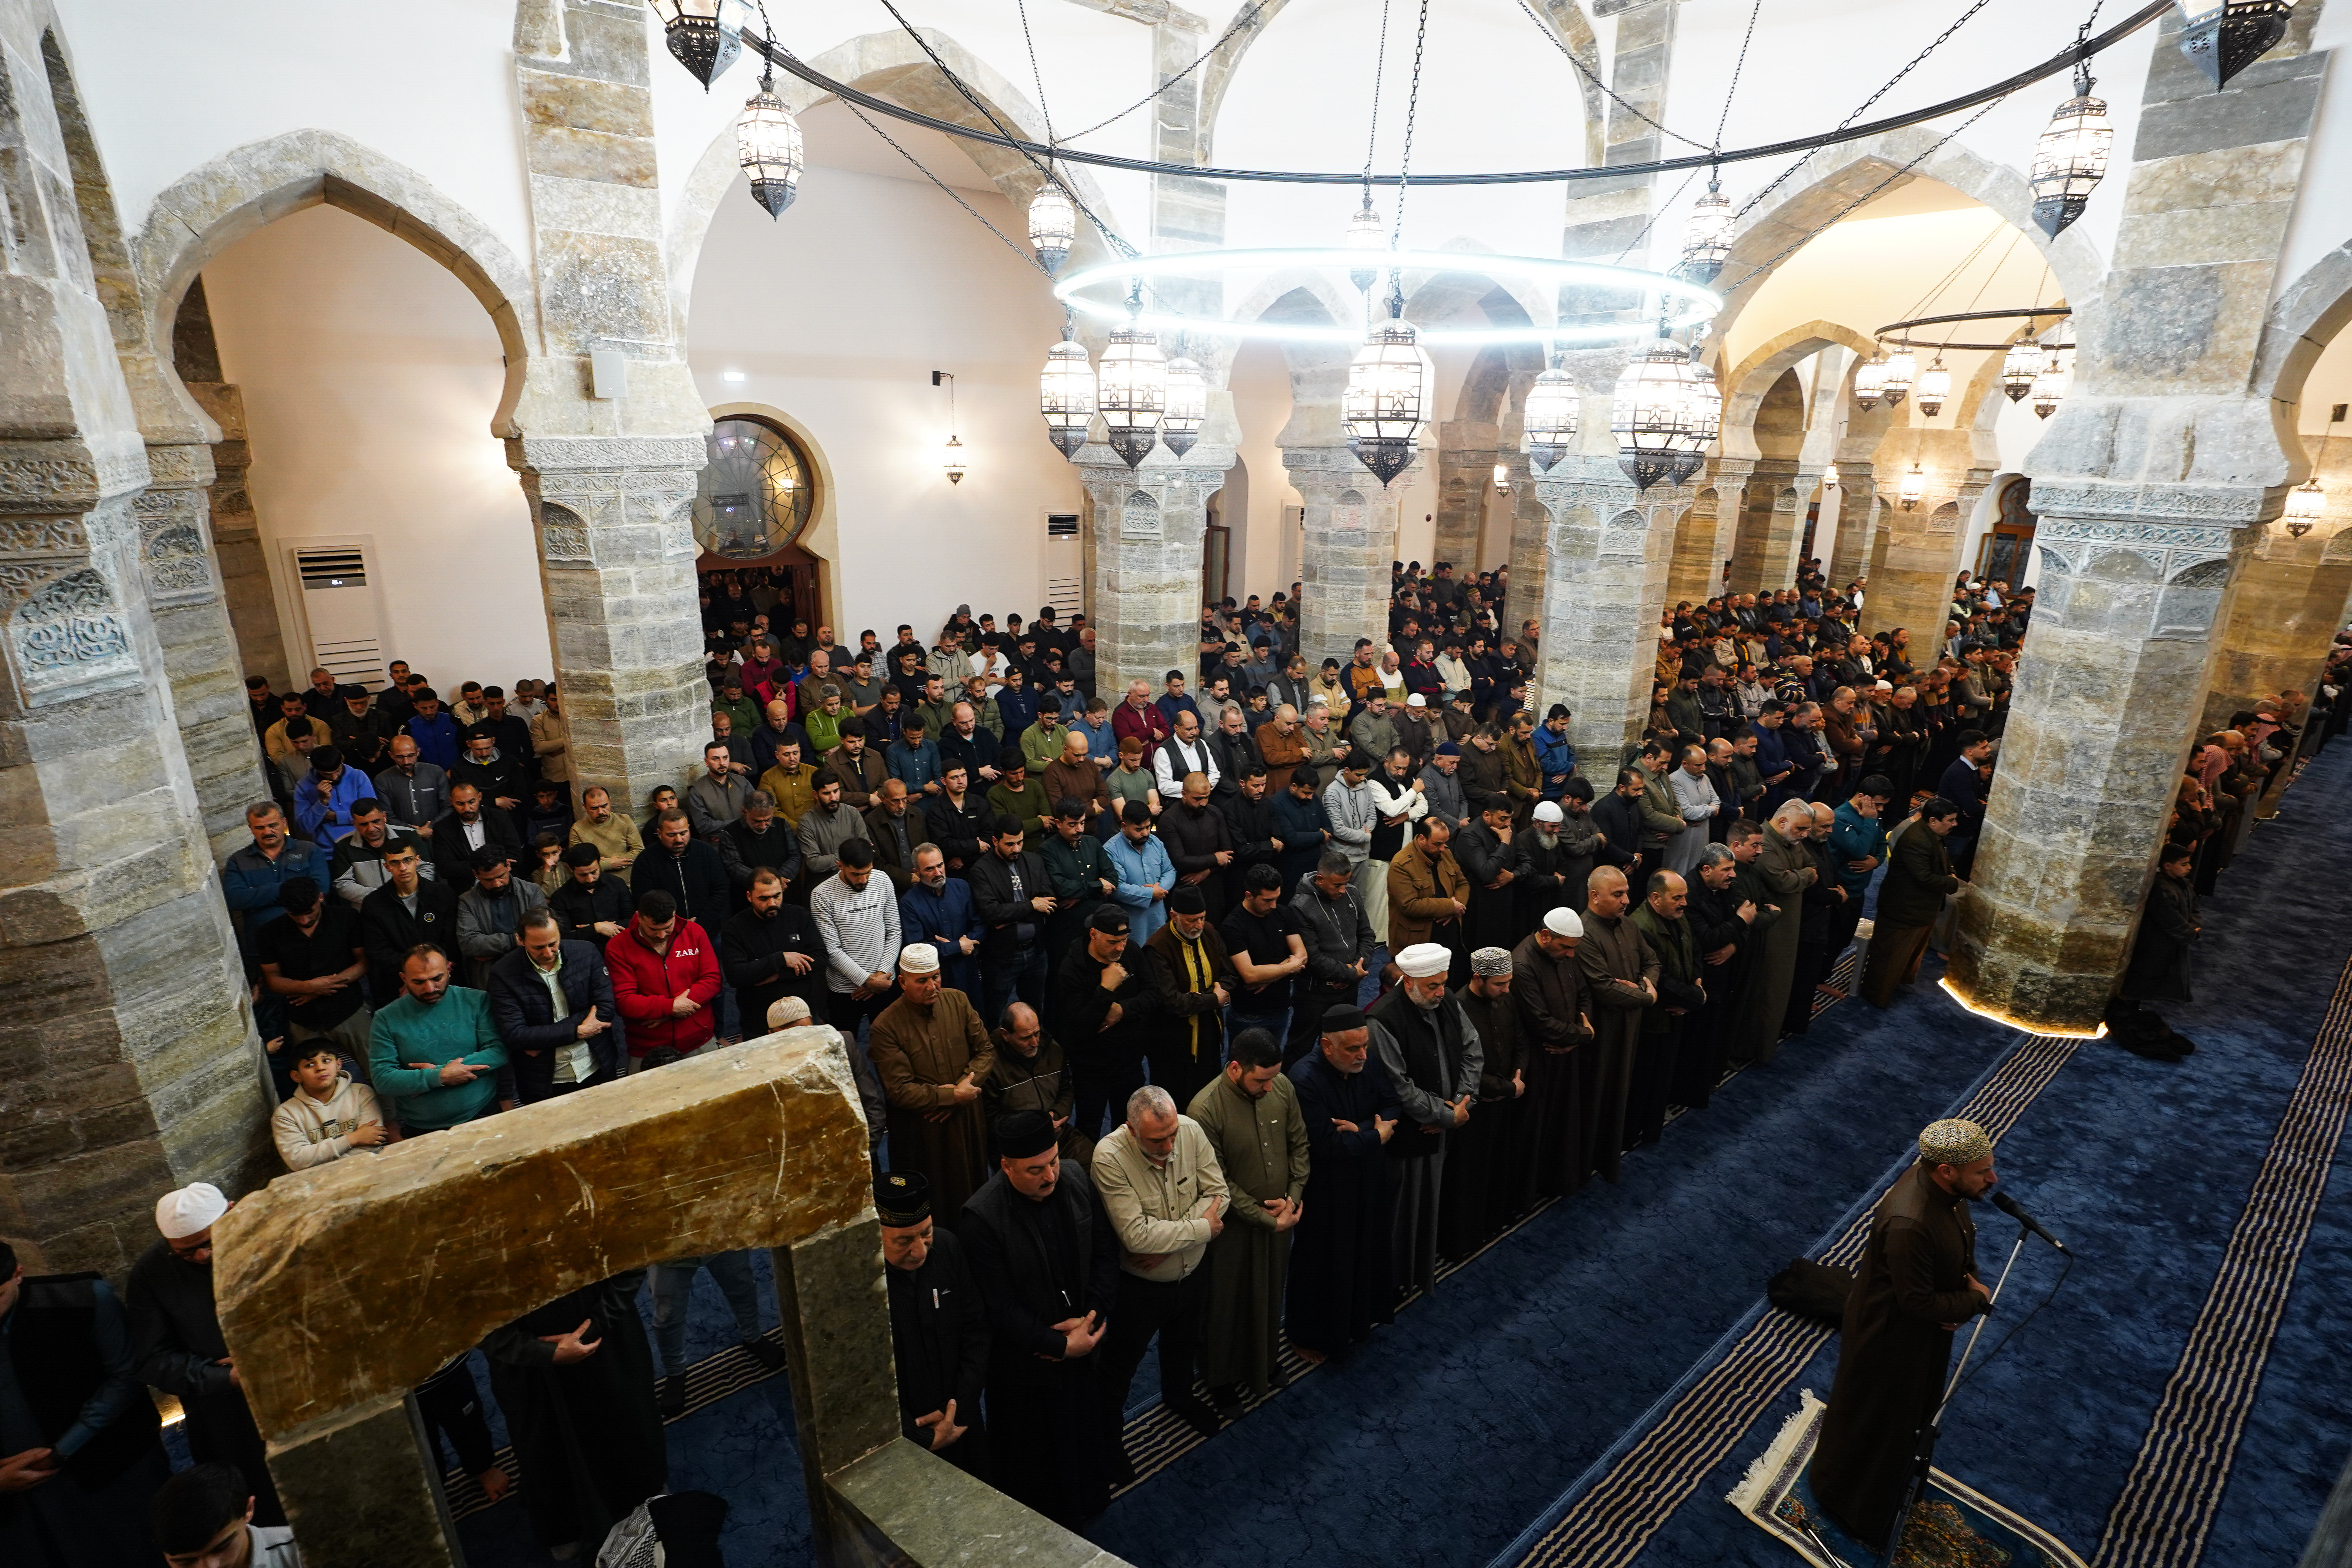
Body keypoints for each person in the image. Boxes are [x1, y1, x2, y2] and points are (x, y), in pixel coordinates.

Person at [1809, 1119, 1996, 1551]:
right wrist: (1974, 1300)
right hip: (1890, 1337)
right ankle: (1851, 1507)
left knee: (1911, 1415)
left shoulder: (1947, 1193)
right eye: (1982, 1172)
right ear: (1946, 1170)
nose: (1993, 1178)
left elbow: (1961, 1250)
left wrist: (1968, 1283)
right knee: (1880, 1420)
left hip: (1921, 1330)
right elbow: (1916, 1303)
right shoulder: (1910, 1222)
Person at [956, 1111, 1120, 1527]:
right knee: (1035, 1465)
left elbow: (1105, 1254)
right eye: (1035, 1170)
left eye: (1053, 1161)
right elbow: (998, 1307)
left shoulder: (1077, 1180)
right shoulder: (980, 1218)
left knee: (1083, 1438)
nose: (1050, 1176)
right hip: (1025, 1370)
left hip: (1083, 1345)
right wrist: (1059, 1346)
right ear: (1005, 1166)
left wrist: (1092, 1321)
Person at [0, 1239, 172, 1568]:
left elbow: (125, 1377)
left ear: (18, 1274)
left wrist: (62, 1450)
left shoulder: (83, 1299)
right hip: (17, 1507)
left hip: (109, 1472)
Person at [1091, 1085, 1229, 1481]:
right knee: (1119, 1369)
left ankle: (1179, 1396)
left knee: (1184, 1343)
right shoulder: (1110, 1157)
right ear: (1132, 1130)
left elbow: (1221, 1194)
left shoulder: (1190, 1130)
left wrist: (1170, 1242)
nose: (1170, 1145)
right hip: (1140, 1288)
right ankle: (1110, 1440)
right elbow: (1136, 1237)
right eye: (1157, 1139)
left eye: (1172, 1135)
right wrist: (1202, 1226)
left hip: (1193, 1273)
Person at [481, 1273, 668, 1560]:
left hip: (607, 1340)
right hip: (528, 1371)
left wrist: (594, 1328)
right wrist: (540, 1351)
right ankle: (567, 1526)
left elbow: (631, 1263)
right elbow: (465, 1316)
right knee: (546, 1444)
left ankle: (642, 1496)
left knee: (626, 1421)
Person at [128, 1186, 284, 1525]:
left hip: (293, 1382)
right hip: (225, 1412)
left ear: (231, 1211)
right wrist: (226, 1377)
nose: (202, 1256)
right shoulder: (150, 1275)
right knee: (258, 1507)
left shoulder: (275, 1233)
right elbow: (152, 1359)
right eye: (187, 1253)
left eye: (209, 1243)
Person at [1184, 1027, 1308, 1411]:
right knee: (1226, 1303)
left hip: (1281, 1220)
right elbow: (1218, 1183)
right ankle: (1219, 1377)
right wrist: (1267, 1219)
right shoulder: (1204, 1110)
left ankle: (1264, 1362)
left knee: (1271, 1292)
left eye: (1274, 1078)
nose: (1270, 1088)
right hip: (1232, 1229)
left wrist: (1293, 1199)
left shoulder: (1282, 1087)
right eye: (1261, 1080)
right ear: (1235, 1068)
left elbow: (1299, 1144)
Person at [1366, 942, 1481, 1299]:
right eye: (1432, 986)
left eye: (1443, 983)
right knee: (1405, 1214)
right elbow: (1399, 1087)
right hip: (1413, 1135)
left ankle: (1422, 1271)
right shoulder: (1383, 1019)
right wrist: (1447, 1115)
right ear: (1409, 982)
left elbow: (1472, 1049)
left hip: (1447, 1124)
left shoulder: (1445, 1000)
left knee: (1436, 1205)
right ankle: (1394, 1283)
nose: (1439, 992)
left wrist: (1462, 1104)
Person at [1284, 1006, 1399, 1362]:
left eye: (1364, 1046)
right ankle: (1308, 1336)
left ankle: (1357, 1322)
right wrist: (1376, 1135)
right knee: (1322, 1263)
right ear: (1327, 1047)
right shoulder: (1304, 1078)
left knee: (1365, 1250)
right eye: (1353, 1049)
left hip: (1367, 1179)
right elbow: (1328, 1146)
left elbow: (1393, 1105)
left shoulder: (1367, 1062)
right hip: (1327, 1192)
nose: (1362, 1056)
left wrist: (1365, 1132)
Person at [868, 944, 997, 1222]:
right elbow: (899, 1090)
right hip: (924, 1131)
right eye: (922, 981)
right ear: (902, 982)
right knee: (934, 1202)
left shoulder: (959, 1001)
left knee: (976, 1190)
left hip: (967, 1121)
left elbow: (986, 1051)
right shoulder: (885, 1026)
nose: (933, 986)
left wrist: (960, 1092)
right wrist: (953, 1096)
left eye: (936, 977)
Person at [876, 1172, 992, 1479]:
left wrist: (960, 1408)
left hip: (962, 1418)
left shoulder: (948, 1247)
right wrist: (918, 1435)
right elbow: (861, 1381)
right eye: (903, 1241)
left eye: (925, 1234)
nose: (920, 1251)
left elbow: (976, 1330)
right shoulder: (860, 1284)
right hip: (903, 1439)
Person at [486, 910, 622, 1102]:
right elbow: (516, 1035)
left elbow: (606, 1007)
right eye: (539, 947)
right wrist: (578, 1031)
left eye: (553, 944)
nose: (548, 953)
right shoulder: (503, 973)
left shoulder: (586, 952)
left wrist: (544, 1039)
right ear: (521, 940)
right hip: (545, 1081)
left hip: (597, 1065)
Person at [367, 946, 507, 1131]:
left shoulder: (477, 1000)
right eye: (419, 982)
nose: (430, 988)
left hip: (482, 1112)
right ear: (404, 979)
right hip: (423, 1127)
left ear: (449, 970)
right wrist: (440, 1077)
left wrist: (440, 1074)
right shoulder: (385, 1018)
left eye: (437, 978)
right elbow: (382, 1079)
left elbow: (498, 1051)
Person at [1047, 907, 1156, 1143]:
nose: (1120, 948)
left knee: (1129, 1126)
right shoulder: (1071, 968)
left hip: (1130, 1060)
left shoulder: (1132, 952)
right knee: (1090, 1127)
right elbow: (1080, 1024)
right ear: (1094, 934)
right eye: (1112, 942)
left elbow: (1153, 994)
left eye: (1124, 940)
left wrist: (1122, 1010)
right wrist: (1106, 990)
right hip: (1091, 1066)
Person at [1442, 946, 1524, 1256]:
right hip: (1475, 1108)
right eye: (1499, 984)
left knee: (1498, 1167)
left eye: (1508, 983)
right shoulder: (1458, 1008)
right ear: (1478, 978)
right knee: (1469, 1177)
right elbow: (1465, 1066)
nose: (1506, 990)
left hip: (1504, 1100)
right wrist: (1508, 1087)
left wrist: (1517, 1079)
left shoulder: (1507, 999)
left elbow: (1520, 1042)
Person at [1577, 867, 1656, 1183]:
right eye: (1618, 894)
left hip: (1629, 1026)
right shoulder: (1584, 933)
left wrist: (1645, 984)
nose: (1627, 901)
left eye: (1626, 893)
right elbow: (1604, 988)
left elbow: (1652, 961)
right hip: (1603, 1033)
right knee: (1596, 1097)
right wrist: (1646, 995)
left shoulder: (1628, 925)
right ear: (1595, 896)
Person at [255, 875, 371, 1088]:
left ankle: (390, 1120)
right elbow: (272, 979)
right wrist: (309, 986)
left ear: (320, 898)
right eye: (295, 915)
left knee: (375, 1067)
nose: (304, 921)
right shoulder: (269, 932)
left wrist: (324, 987)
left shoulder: (346, 918)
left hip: (348, 1008)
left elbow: (364, 963)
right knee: (314, 1082)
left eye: (309, 913)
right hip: (303, 1017)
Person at [1510, 907, 1594, 1198]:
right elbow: (1541, 1023)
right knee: (1535, 1129)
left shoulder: (1564, 954)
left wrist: (1579, 1035)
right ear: (1546, 936)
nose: (1571, 955)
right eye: (1566, 948)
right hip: (1539, 1060)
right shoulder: (1522, 965)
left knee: (1562, 1123)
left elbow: (1584, 993)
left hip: (1565, 1055)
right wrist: (1583, 1034)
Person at [1626, 870, 1704, 1150]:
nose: (1684, 904)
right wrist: (1696, 998)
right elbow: (1657, 979)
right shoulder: (1642, 927)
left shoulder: (1676, 916)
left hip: (1676, 1011)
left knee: (1662, 1077)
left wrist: (1696, 984)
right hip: (1653, 1017)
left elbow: (1694, 951)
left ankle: (1651, 1129)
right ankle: (1631, 1133)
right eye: (1678, 898)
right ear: (1656, 898)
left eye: (1685, 897)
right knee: (1643, 1079)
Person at [1860, 798, 1962, 1008]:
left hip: (1920, 908)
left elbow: (1943, 861)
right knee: (1890, 956)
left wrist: (1950, 873)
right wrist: (1951, 884)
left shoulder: (1933, 834)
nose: (1955, 824)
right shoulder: (1916, 840)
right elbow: (1923, 878)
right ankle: (1876, 996)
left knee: (1909, 952)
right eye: (1950, 820)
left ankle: (1899, 982)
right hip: (1904, 909)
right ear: (1933, 821)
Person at [605, 889, 722, 1070]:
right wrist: (671, 1008)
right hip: (647, 1051)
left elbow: (712, 979)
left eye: (667, 927)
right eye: (653, 930)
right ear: (639, 917)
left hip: (700, 1041)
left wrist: (669, 1011)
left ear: (675, 915)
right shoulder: (618, 947)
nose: (661, 935)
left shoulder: (694, 932)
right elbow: (624, 1001)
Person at [1142, 884, 1235, 1111]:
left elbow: (1231, 975)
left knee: (1208, 1098)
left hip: (1209, 1033)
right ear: (1174, 916)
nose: (1199, 925)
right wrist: (1214, 999)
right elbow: (1173, 1002)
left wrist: (1208, 995)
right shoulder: (1157, 947)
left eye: (1202, 918)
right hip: (1172, 1041)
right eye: (1192, 920)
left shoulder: (1210, 933)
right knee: (1175, 1102)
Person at [2112, 839, 2202, 1060]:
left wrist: (2193, 925)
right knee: (2145, 975)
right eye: (2184, 864)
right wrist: (2191, 932)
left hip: (2169, 942)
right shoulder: (2161, 889)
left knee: (2156, 975)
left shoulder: (2184, 885)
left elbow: (2194, 911)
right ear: (2168, 866)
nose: (2189, 868)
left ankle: (2135, 1013)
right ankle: (2127, 1014)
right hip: (2155, 942)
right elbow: (2169, 918)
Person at [810, 839, 902, 1041]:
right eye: (856, 874)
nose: (864, 880)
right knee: (846, 1049)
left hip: (885, 981)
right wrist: (867, 981)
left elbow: (894, 931)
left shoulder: (883, 880)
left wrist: (878, 978)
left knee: (892, 1046)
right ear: (840, 866)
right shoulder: (821, 895)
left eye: (868, 872)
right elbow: (832, 950)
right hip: (846, 991)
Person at [968, 813, 1054, 1025]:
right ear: (995, 841)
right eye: (1010, 844)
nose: (1016, 849)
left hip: (1036, 951)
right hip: (1002, 956)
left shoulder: (1034, 861)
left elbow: (1050, 902)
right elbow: (991, 913)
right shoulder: (981, 870)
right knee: (995, 1015)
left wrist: (1012, 914)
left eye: (1020, 843)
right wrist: (1032, 905)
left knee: (1035, 1012)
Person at [720, 866, 825, 1038]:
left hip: (803, 1014)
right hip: (758, 1019)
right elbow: (736, 975)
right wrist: (780, 959)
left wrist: (778, 974)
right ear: (749, 897)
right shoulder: (735, 928)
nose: (772, 904)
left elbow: (820, 958)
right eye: (764, 898)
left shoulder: (799, 915)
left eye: (777, 896)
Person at [984, 1000, 1091, 1163]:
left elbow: (1065, 1090)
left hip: (1057, 1134)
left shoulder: (1053, 1050)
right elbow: (992, 1119)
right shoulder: (990, 1065)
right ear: (1006, 1035)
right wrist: (1038, 1127)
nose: (1035, 1043)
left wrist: (1056, 1115)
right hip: (1018, 1145)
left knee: (1099, 1163)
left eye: (1037, 1034)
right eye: (1025, 1038)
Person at [148, 1463, 299, 1568]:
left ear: (248, 1509)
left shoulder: (300, 1552)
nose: (211, 1566)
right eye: (186, 1562)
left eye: (221, 1548)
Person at [270, 1038, 390, 1169]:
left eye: (326, 1061)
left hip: (368, 1170)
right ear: (296, 1076)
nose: (320, 1068)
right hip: (320, 1184)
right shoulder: (286, 1113)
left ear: (338, 1065)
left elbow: (372, 1144)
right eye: (310, 1065)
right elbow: (298, 1160)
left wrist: (319, 1162)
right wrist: (354, 1138)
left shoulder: (361, 1093)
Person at [569, 784, 642, 872]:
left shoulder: (625, 821)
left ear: (609, 802)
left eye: (604, 806)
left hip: (629, 876)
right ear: (585, 807)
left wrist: (617, 862)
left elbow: (639, 850)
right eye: (594, 808)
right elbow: (577, 863)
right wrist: (607, 865)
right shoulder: (577, 830)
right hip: (597, 880)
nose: (601, 812)